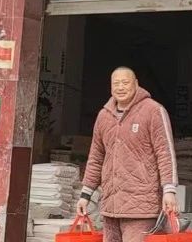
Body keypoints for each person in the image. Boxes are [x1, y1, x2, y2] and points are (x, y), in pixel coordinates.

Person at [76, 67, 178, 242]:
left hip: (141, 206)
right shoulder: (104, 116)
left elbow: (165, 152)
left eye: (125, 82)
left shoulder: (153, 110)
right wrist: (85, 195)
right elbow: (96, 158)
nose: (120, 87)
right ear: (110, 87)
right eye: (116, 83)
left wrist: (169, 190)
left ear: (136, 84)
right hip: (111, 205)